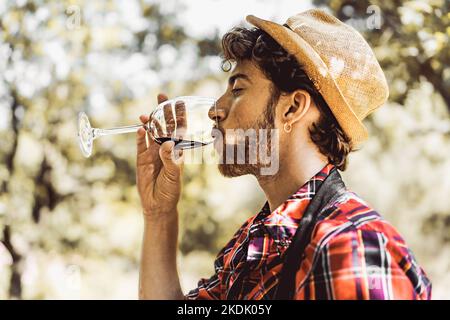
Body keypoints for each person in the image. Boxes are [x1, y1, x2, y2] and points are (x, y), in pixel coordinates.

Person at [136, 9, 431, 300]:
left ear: (292, 108)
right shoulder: (257, 239)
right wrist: (159, 215)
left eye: (238, 89)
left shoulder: (350, 249)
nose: (216, 109)